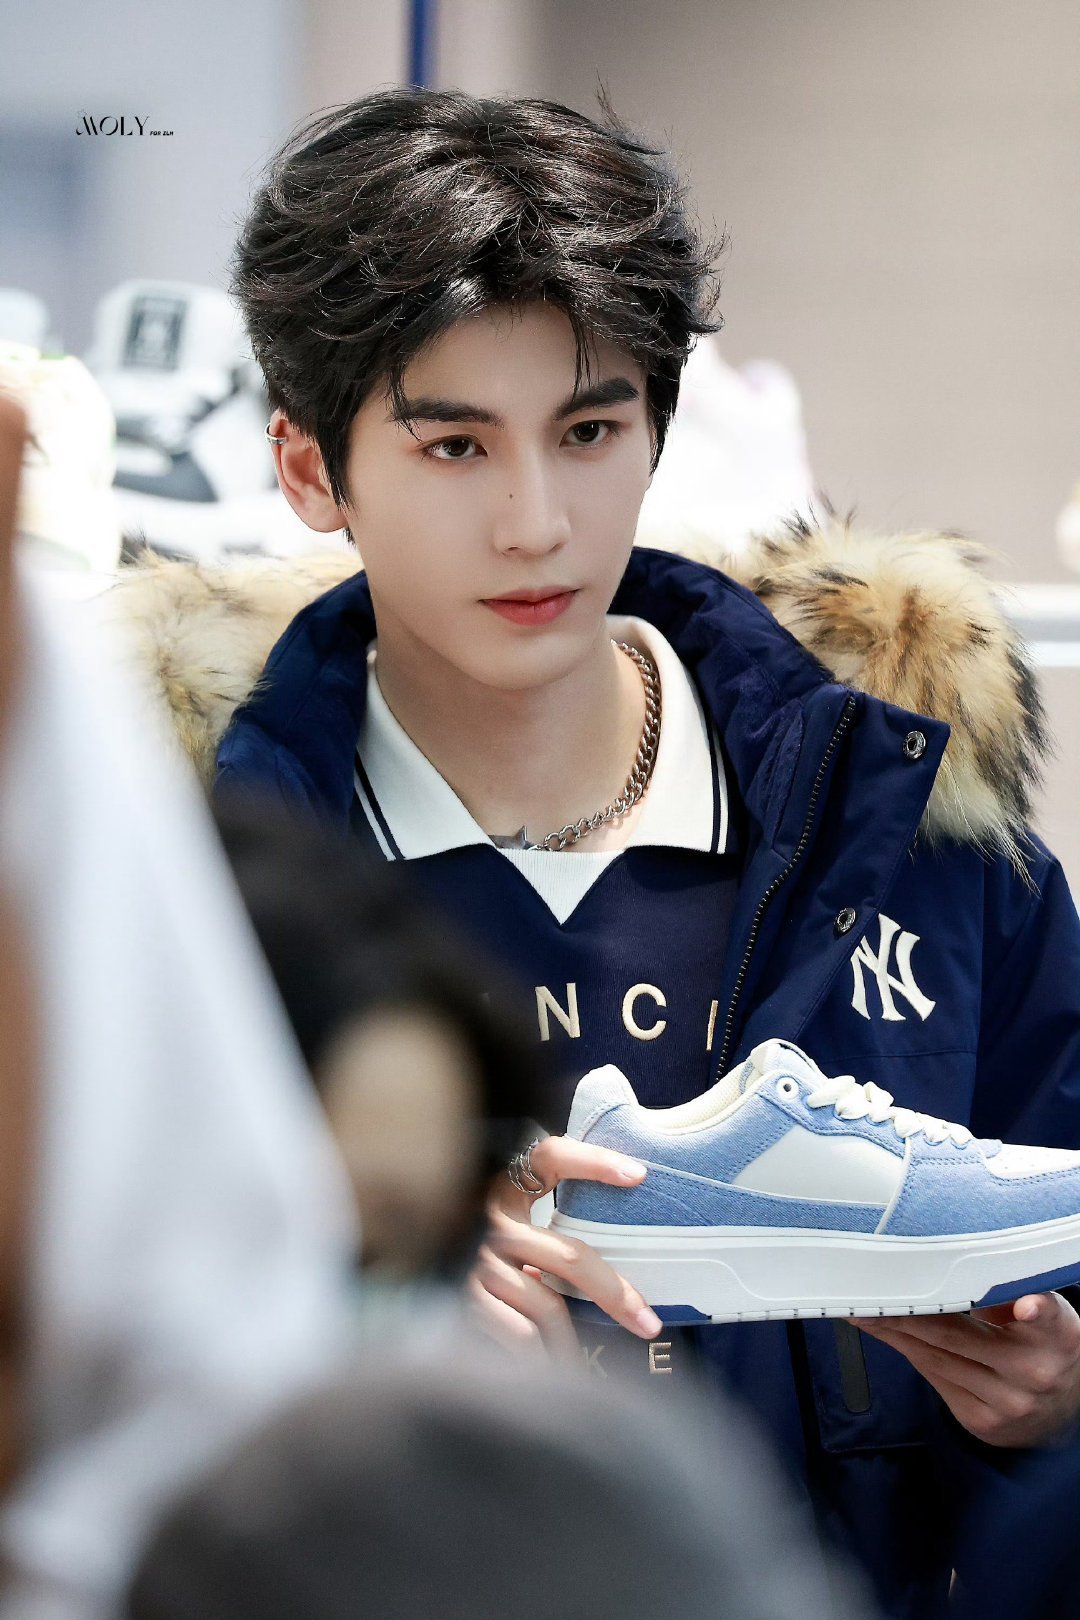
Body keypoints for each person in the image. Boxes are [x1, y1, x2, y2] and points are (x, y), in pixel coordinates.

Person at [204, 84, 1080, 1618]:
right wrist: (343, 1316)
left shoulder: (926, 856)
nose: (537, 522)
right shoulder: (197, 913)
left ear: (658, 430)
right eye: (455, 445)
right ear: (308, 471)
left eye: (590, 431)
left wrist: (1057, 1409)